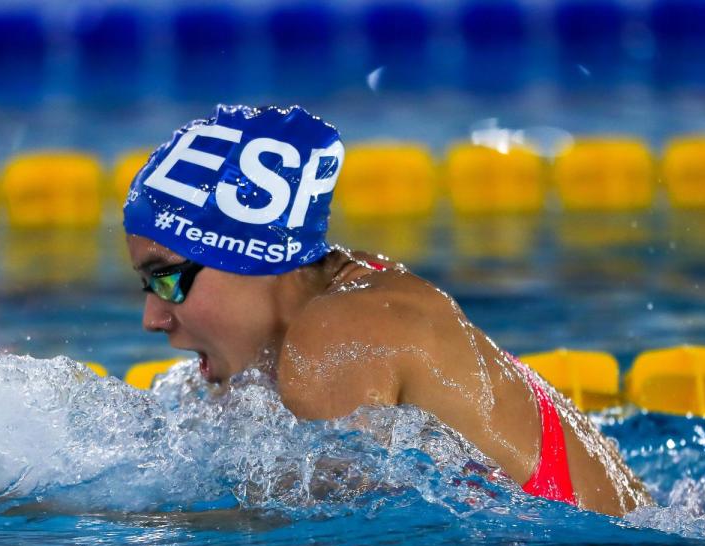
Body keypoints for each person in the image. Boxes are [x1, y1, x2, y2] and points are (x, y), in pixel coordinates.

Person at [123, 104, 653, 517]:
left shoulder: (338, 335)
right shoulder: (355, 290)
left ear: (245, 257)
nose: (153, 318)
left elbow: (308, 545)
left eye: (166, 280)